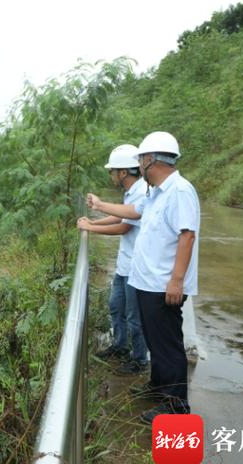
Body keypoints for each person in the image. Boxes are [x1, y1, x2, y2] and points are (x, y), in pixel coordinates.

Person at [86, 131, 200, 424]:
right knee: (154, 339)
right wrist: (98, 207)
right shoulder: (156, 193)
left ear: (150, 160)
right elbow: (133, 212)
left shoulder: (180, 191)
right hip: (147, 282)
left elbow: (187, 235)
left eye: (141, 160)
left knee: (167, 344)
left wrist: (176, 280)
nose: (139, 167)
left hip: (163, 284)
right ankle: (159, 388)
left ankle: (176, 408)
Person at [77, 144, 149, 376]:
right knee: (116, 307)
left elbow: (125, 226)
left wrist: (92, 226)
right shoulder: (131, 192)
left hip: (136, 268)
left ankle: (139, 359)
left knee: (134, 317)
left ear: (124, 172)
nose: (111, 175)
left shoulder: (141, 190)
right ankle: (120, 345)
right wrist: (93, 223)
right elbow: (119, 214)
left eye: (112, 171)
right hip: (124, 264)